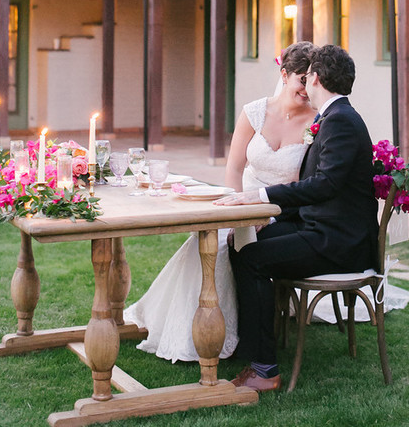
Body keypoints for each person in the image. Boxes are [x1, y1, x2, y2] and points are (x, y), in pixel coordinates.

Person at [123, 41, 316, 362]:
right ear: (284, 75)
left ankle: (234, 335)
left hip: (283, 210)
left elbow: (305, 183)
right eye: (301, 80)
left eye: (311, 81)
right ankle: (189, 330)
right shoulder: (254, 112)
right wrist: (237, 206)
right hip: (241, 200)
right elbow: (234, 168)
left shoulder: (317, 122)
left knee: (236, 250)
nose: (307, 89)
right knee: (211, 242)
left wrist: (267, 213)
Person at [214, 44, 378, 392]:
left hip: (337, 242)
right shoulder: (334, 118)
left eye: (309, 77)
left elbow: (323, 186)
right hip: (321, 227)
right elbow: (316, 188)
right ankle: (251, 348)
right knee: (240, 243)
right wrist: (268, 218)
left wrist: (259, 197)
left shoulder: (341, 123)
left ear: (316, 78)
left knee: (252, 258)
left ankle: (265, 369)